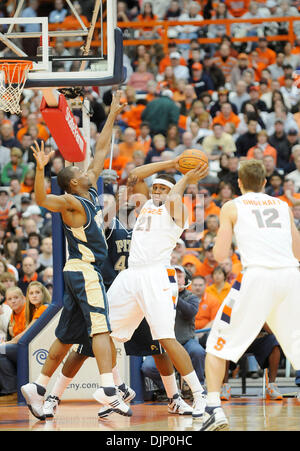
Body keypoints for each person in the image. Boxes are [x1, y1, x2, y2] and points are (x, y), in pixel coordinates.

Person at [21, 91, 133, 421]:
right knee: (101, 330)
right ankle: (109, 390)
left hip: (77, 271)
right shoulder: (71, 203)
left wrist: (111, 113)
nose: (85, 171)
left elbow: (100, 151)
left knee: (67, 335)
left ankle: (39, 388)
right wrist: (41, 170)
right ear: (72, 184)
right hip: (85, 270)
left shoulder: (91, 192)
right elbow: (42, 200)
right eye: (78, 172)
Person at [42, 183, 192, 419]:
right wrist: (115, 201)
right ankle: (56, 397)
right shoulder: (112, 224)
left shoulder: (154, 217)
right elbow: (99, 220)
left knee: (158, 346)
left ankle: (174, 398)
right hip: (114, 289)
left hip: (143, 288)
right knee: (85, 347)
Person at [106, 154, 209, 419]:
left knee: (165, 338)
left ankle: (199, 394)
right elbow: (136, 174)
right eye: (156, 188)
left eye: (163, 188)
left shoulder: (178, 210)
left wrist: (185, 176)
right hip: (131, 275)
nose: (158, 191)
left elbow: (175, 196)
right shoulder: (147, 206)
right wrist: (172, 163)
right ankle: (117, 388)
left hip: (157, 276)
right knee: (102, 330)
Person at [201, 159, 300, 431]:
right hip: (291, 276)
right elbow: (298, 251)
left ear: (240, 183)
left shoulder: (232, 206)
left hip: (257, 276)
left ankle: (213, 408)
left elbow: (220, 255)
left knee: (216, 344)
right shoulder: (283, 205)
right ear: (265, 183)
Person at [141, 266, 206, 390]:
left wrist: (175, 297)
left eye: (179, 276)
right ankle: (169, 388)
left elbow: (190, 312)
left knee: (198, 352)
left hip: (186, 342)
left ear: (186, 280)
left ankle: (198, 387)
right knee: (147, 367)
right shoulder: (158, 297)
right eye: (172, 276)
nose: (175, 279)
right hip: (164, 344)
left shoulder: (191, 297)